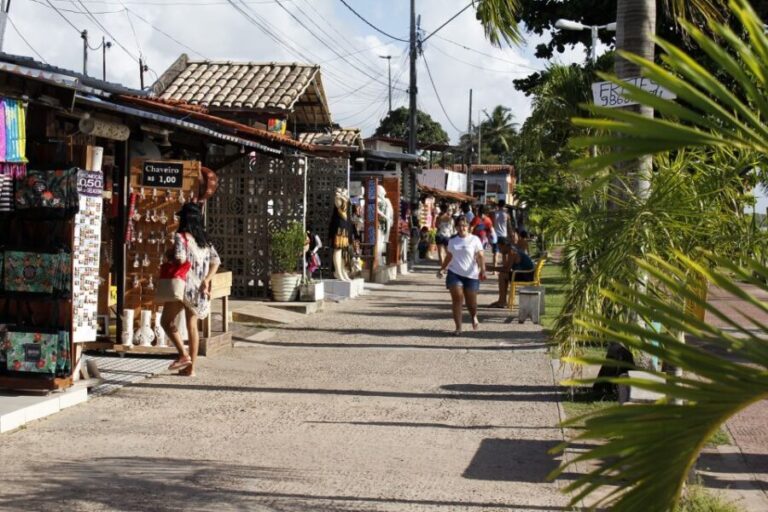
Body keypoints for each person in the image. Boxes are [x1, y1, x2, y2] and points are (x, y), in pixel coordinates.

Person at [161, 203, 221, 377]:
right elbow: (216, 261)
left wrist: (169, 253)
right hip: (199, 289)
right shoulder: (205, 241)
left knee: (166, 321)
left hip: (183, 287)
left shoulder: (180, 237)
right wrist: (206, 280)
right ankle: (190, 369)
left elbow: (180, 259)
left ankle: (183, 354)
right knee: (192, 327)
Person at [437, 216, 486, 335]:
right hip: (454, 273)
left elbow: (480, 256)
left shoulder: (475, 239)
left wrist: (483, 270)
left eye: (464, 225)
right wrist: (442, 268)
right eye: (459, 226)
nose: (462, 228)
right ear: (456, 227)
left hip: (471, 275)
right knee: (457, 299)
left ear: (468, 227)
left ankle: (473, 315)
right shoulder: (452, 241)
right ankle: (458, 327)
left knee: (471, 303)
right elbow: (449, 256)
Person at [488, 239, 534, 308]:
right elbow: (505, 266)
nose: (499, 250)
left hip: (527, 275)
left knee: (502, 276)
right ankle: (502, 300)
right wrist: (504, 255)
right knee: (503, 275)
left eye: (500, 248)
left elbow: (506, 270)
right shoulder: (512, 250)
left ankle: (502, 301)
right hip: (526, 274)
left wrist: (491, 268)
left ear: (504, 246)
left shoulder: (512, 252)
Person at [492, 200, 512, 270]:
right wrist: (511, 234)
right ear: (504, 205)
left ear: (498, 205)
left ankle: (494, 270)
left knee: (496, 252)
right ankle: (505, 267)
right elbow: (509, 226)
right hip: (504, 235)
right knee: (504, 253)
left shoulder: (495, 213)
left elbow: (493, 224)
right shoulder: (506, 214)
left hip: (496, 235)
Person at [435, 201, 453, 266]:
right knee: (448, 252)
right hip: (447, 236)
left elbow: (436, 226)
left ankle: (442, 266)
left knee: (440, 252)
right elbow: (451, 228)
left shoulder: (438, 218)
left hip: (439, 235)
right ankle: (447, 265)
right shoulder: (450, 218)